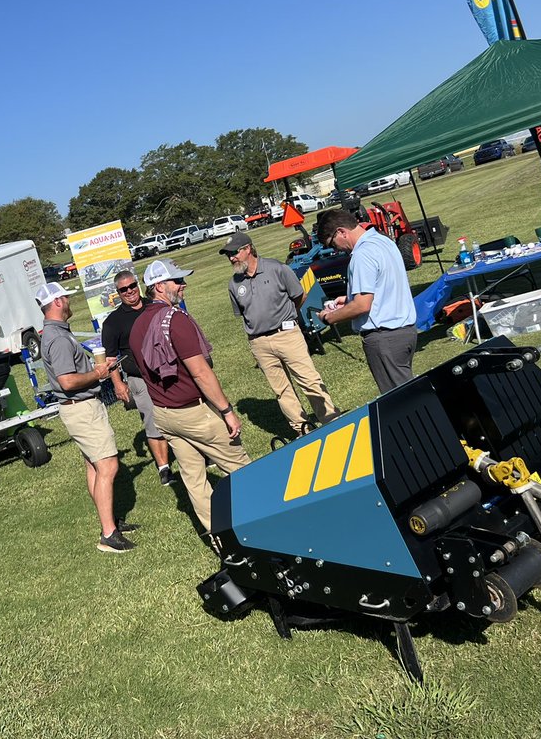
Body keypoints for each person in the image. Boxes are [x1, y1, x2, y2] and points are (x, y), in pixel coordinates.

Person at [128, 259, 250, 535]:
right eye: (177, 281)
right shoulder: (176, 320)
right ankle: (270, 527)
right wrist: (227, 410)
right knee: (244, 471)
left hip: (164, 415)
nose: (183, 285)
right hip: (194, 413)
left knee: (194, 480)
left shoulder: (137, 325)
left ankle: (222, 539)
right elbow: (201, 373)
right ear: (159, 286)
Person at [36, 281, 135, 553]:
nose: (69, 302)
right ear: (57, 302)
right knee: (108, 466)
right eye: (65, 298)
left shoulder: (54, 334)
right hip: (81, 408)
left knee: (94, 466)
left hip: (77, 408)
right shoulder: (57, 338)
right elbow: (67, 381)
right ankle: (108, 535)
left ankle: (109, 522)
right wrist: (98, 374)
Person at [221, 232, 340, 435]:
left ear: (248, 249)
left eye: (235, 253)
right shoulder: (234, 283)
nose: (232, 258)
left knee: (309, 380)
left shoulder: (277, 268)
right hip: (258, 343)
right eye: (228, 255)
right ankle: (302, 430)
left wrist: (287, 318)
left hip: (287, 335)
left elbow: (298, 296)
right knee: (281, 390)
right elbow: (243, 314)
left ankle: (332, 422)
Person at [316, 208, 418, 393]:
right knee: (407, 394)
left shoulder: (362, 255)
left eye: (332, 244)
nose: (336, 250)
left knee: (403, 402)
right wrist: (348, 299)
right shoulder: (383, 241)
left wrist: (329, 318)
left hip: (384, 338)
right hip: (405, 332)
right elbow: (384, 286)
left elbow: (363, 305)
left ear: (341, 232)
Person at [100, 268, 175, 487]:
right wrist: (118, 384)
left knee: (181, 412)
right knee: (152, 421)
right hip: (139, 378)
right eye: (124, 289)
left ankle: (197, 452)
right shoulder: (112, 322)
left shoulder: (155, 307)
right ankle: (164, 468)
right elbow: (110, 359)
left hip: (167, 370)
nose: (130, 291)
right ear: (118, 292)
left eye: (133, 286)